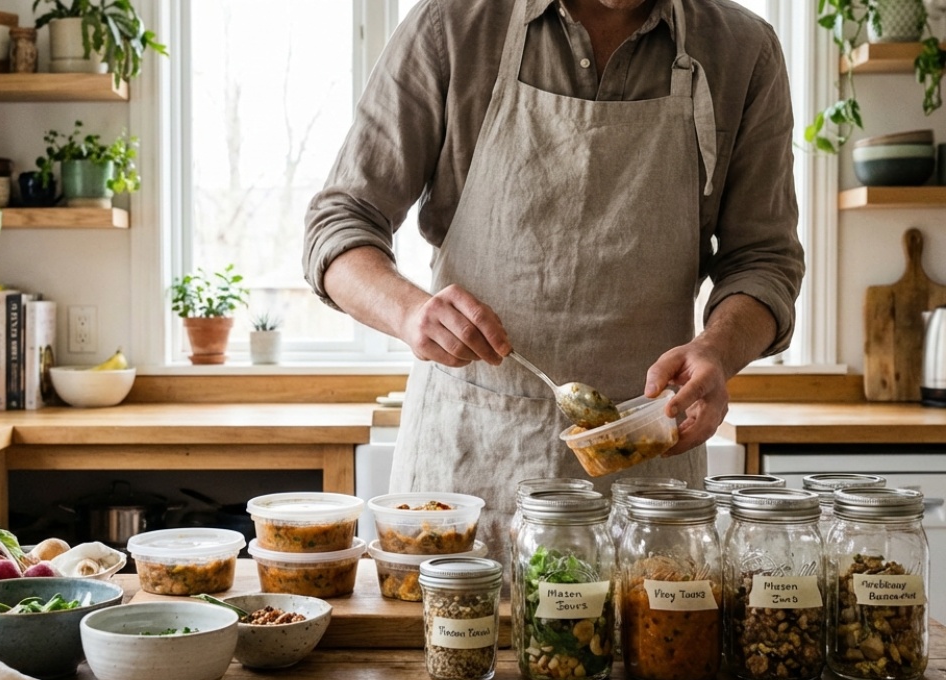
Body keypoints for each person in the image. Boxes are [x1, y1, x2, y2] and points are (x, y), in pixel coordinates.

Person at [302, 0, 804, 571]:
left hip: (646, 478)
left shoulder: (742, 50)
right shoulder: (454, 25)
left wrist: (717, 350)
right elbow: (339, 223)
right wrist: (410, 312)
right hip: (470, 468)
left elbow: (764, 258)